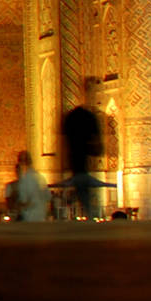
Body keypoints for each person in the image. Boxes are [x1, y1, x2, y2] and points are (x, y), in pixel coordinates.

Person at [60, 80, 106, 219]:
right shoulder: (85, 117)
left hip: (80, 164)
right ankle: (89, 214)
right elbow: (97, 142)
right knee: (83, 186)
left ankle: (88, 213)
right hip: (81, 163)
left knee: (82, 187)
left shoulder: (78, 116)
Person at [11, 151, 48, 221]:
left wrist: (17, 205)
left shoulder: (25, 181)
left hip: (30, 218)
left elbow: (26, 202)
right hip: (41, 216)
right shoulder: (40, 177)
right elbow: (47, 197)